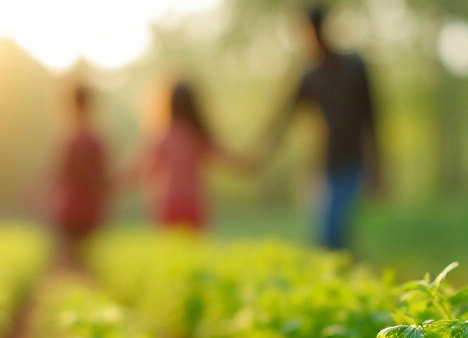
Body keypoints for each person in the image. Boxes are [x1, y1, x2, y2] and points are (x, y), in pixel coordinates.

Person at [263, 5, 382, 251]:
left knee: (335, 233)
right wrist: (259, 155)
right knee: (323, 237)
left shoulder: (354, 67)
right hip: (323, 165)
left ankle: (351, 281)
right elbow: (284, 118)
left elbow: (373, 117)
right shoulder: (309, 76)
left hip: (352, 161)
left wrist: (378, 167)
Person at [134, 81, 252, 232]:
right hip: (194, 204)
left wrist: (107, 182)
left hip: (169, 204)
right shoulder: (198, 135)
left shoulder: (162, 137)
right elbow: (230, 159)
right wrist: (253, 160)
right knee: (193, 252)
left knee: (172, 252)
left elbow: (141, 170)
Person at [51, 84, 109, 266]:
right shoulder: (96, 140)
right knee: (87, 261)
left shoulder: (68, 139)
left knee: (70, 258)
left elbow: (61, 174)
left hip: (70, 205)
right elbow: (102, 177)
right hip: (91, 205)